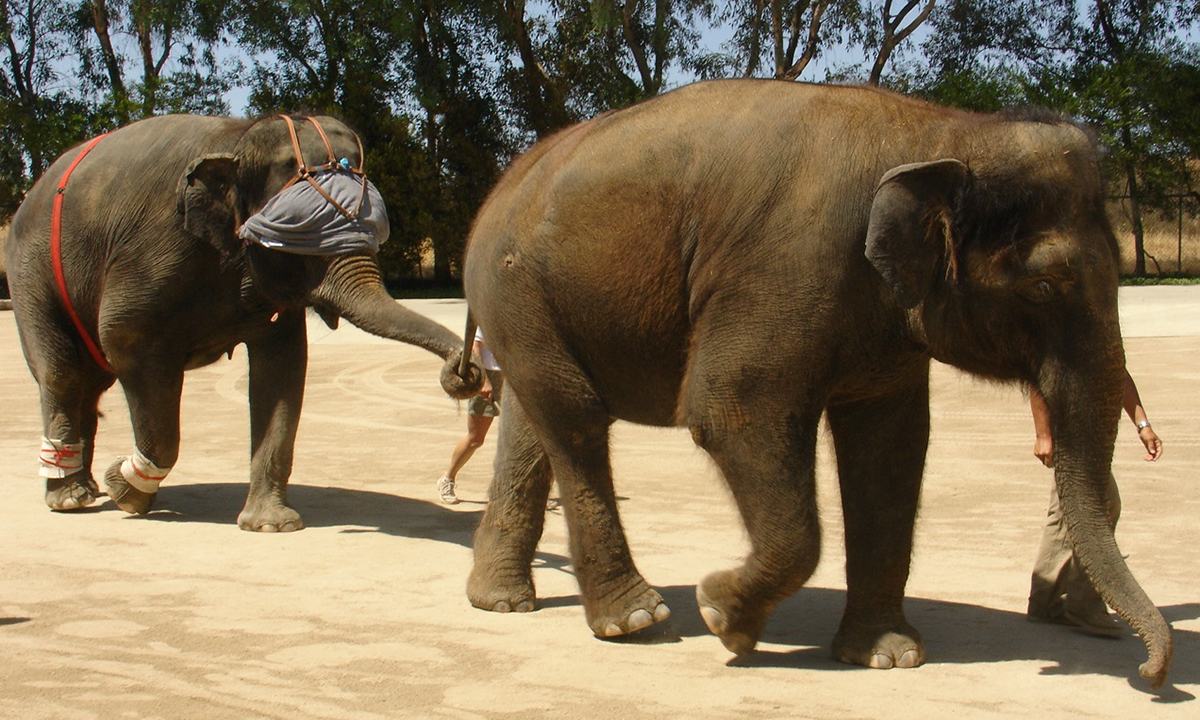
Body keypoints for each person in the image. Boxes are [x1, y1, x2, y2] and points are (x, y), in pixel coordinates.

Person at [1026, 370, 1162, 637]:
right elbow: (1038, 373)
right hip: (1069, 428)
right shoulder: (1069, 326)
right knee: (1101, 506)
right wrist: (1043, 433)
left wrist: (1143, 425)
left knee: (1065, 511)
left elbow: (1117, 370)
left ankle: (1046, 601)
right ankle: (1084, 604)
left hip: (1089, 429)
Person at [437, 328, 503, 505]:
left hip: (515, 374)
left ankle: (533, 490)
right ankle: (447, 479)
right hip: (490, 373)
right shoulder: (492, 304)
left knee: (529, 437)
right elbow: (475, 344)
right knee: (476, 438)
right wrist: (483, 381)